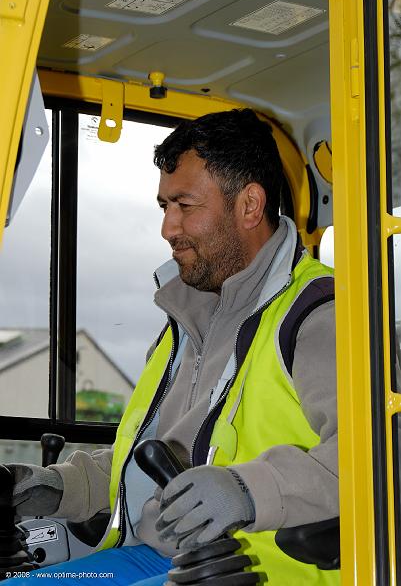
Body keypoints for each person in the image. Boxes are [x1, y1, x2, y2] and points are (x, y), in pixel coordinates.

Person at [8, 109, 339, 586]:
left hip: (250, 568)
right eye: (164, 206)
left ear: (249, 205)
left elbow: (375, 456)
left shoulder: (319, 317)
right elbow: (158, 462)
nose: (168, 227)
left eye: (185, 205)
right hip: (158, 556)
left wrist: (248, 491)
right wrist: (60, 487)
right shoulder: (182, 325)